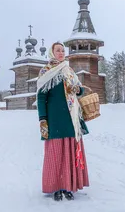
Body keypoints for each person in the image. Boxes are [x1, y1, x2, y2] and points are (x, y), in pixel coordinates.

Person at [36, 41, 90, 201]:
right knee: (55, 153)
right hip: (54, 118)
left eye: (62, 50)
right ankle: (56, 187)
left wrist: (78, 89)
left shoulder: (69, 70)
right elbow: (41, 97)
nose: (61, 53)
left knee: (70, 153)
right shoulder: (46, 71)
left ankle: (68, 185)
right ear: (52, 53)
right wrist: (42, 119)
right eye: (58, 50)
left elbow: (79, 90)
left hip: (71, 118)